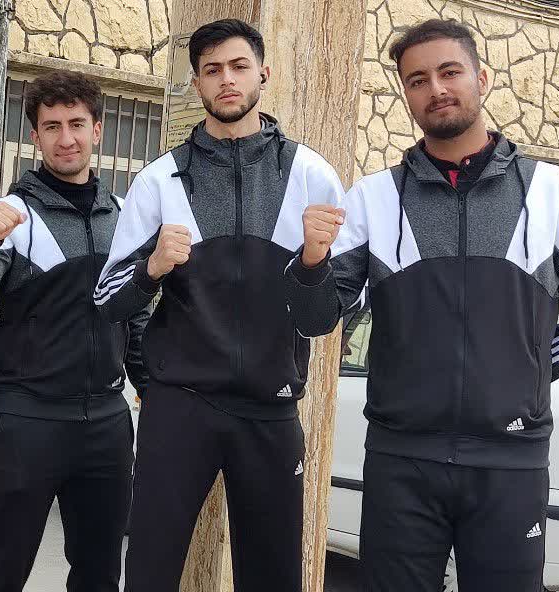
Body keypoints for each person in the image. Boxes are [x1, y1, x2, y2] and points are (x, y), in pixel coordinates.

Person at [284, 19, 559, 592]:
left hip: (510, 461)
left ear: (483, 78)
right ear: (406, 94)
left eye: (450, 72)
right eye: (417, 80)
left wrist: (532, 369)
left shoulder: (552, 191)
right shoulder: (373, 198)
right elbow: (317, 318)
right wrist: (311, 262)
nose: (436, 89)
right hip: (402, 461)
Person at [93, 18, 345, 592]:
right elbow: (107, 301)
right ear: (197, 84)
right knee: (149, 569)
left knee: (274, 576)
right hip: (180, 406)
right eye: (212, 70)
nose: (226, 80)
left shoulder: (312, 176)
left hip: (271, 408)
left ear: (263, 73)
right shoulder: (160, 179)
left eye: (238, 66)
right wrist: (152, 267)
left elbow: (322, 319)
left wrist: (312, 262)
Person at [0, 71, 149, 592]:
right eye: (52, 126)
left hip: (107, 422)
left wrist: (156, 395)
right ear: (35, 136)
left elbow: (136, 319)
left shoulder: (122, 216)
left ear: (97, 130)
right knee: (2, 568)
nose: (66, 139)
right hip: (29, 420)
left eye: (77, 124)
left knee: (101, 573)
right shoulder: (12, 215)